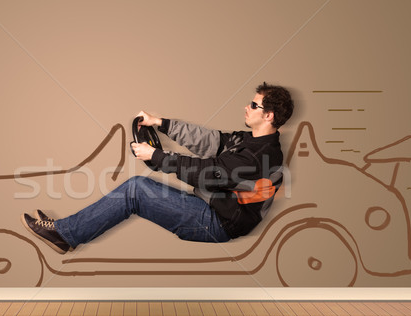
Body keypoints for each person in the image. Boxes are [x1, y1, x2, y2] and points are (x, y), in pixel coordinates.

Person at [21, 82, 294, 254]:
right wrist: (161, 123)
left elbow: (210, 174)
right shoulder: (248, 140)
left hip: (219, 223)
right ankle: (68, 230)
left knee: (136, 190)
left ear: (268, 115)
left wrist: (158, 156)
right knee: (138, 187)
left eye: (254, 105)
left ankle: (64, 234)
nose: (247, 107)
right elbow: (210, 141)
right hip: (213, 207)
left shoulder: (259, 157)